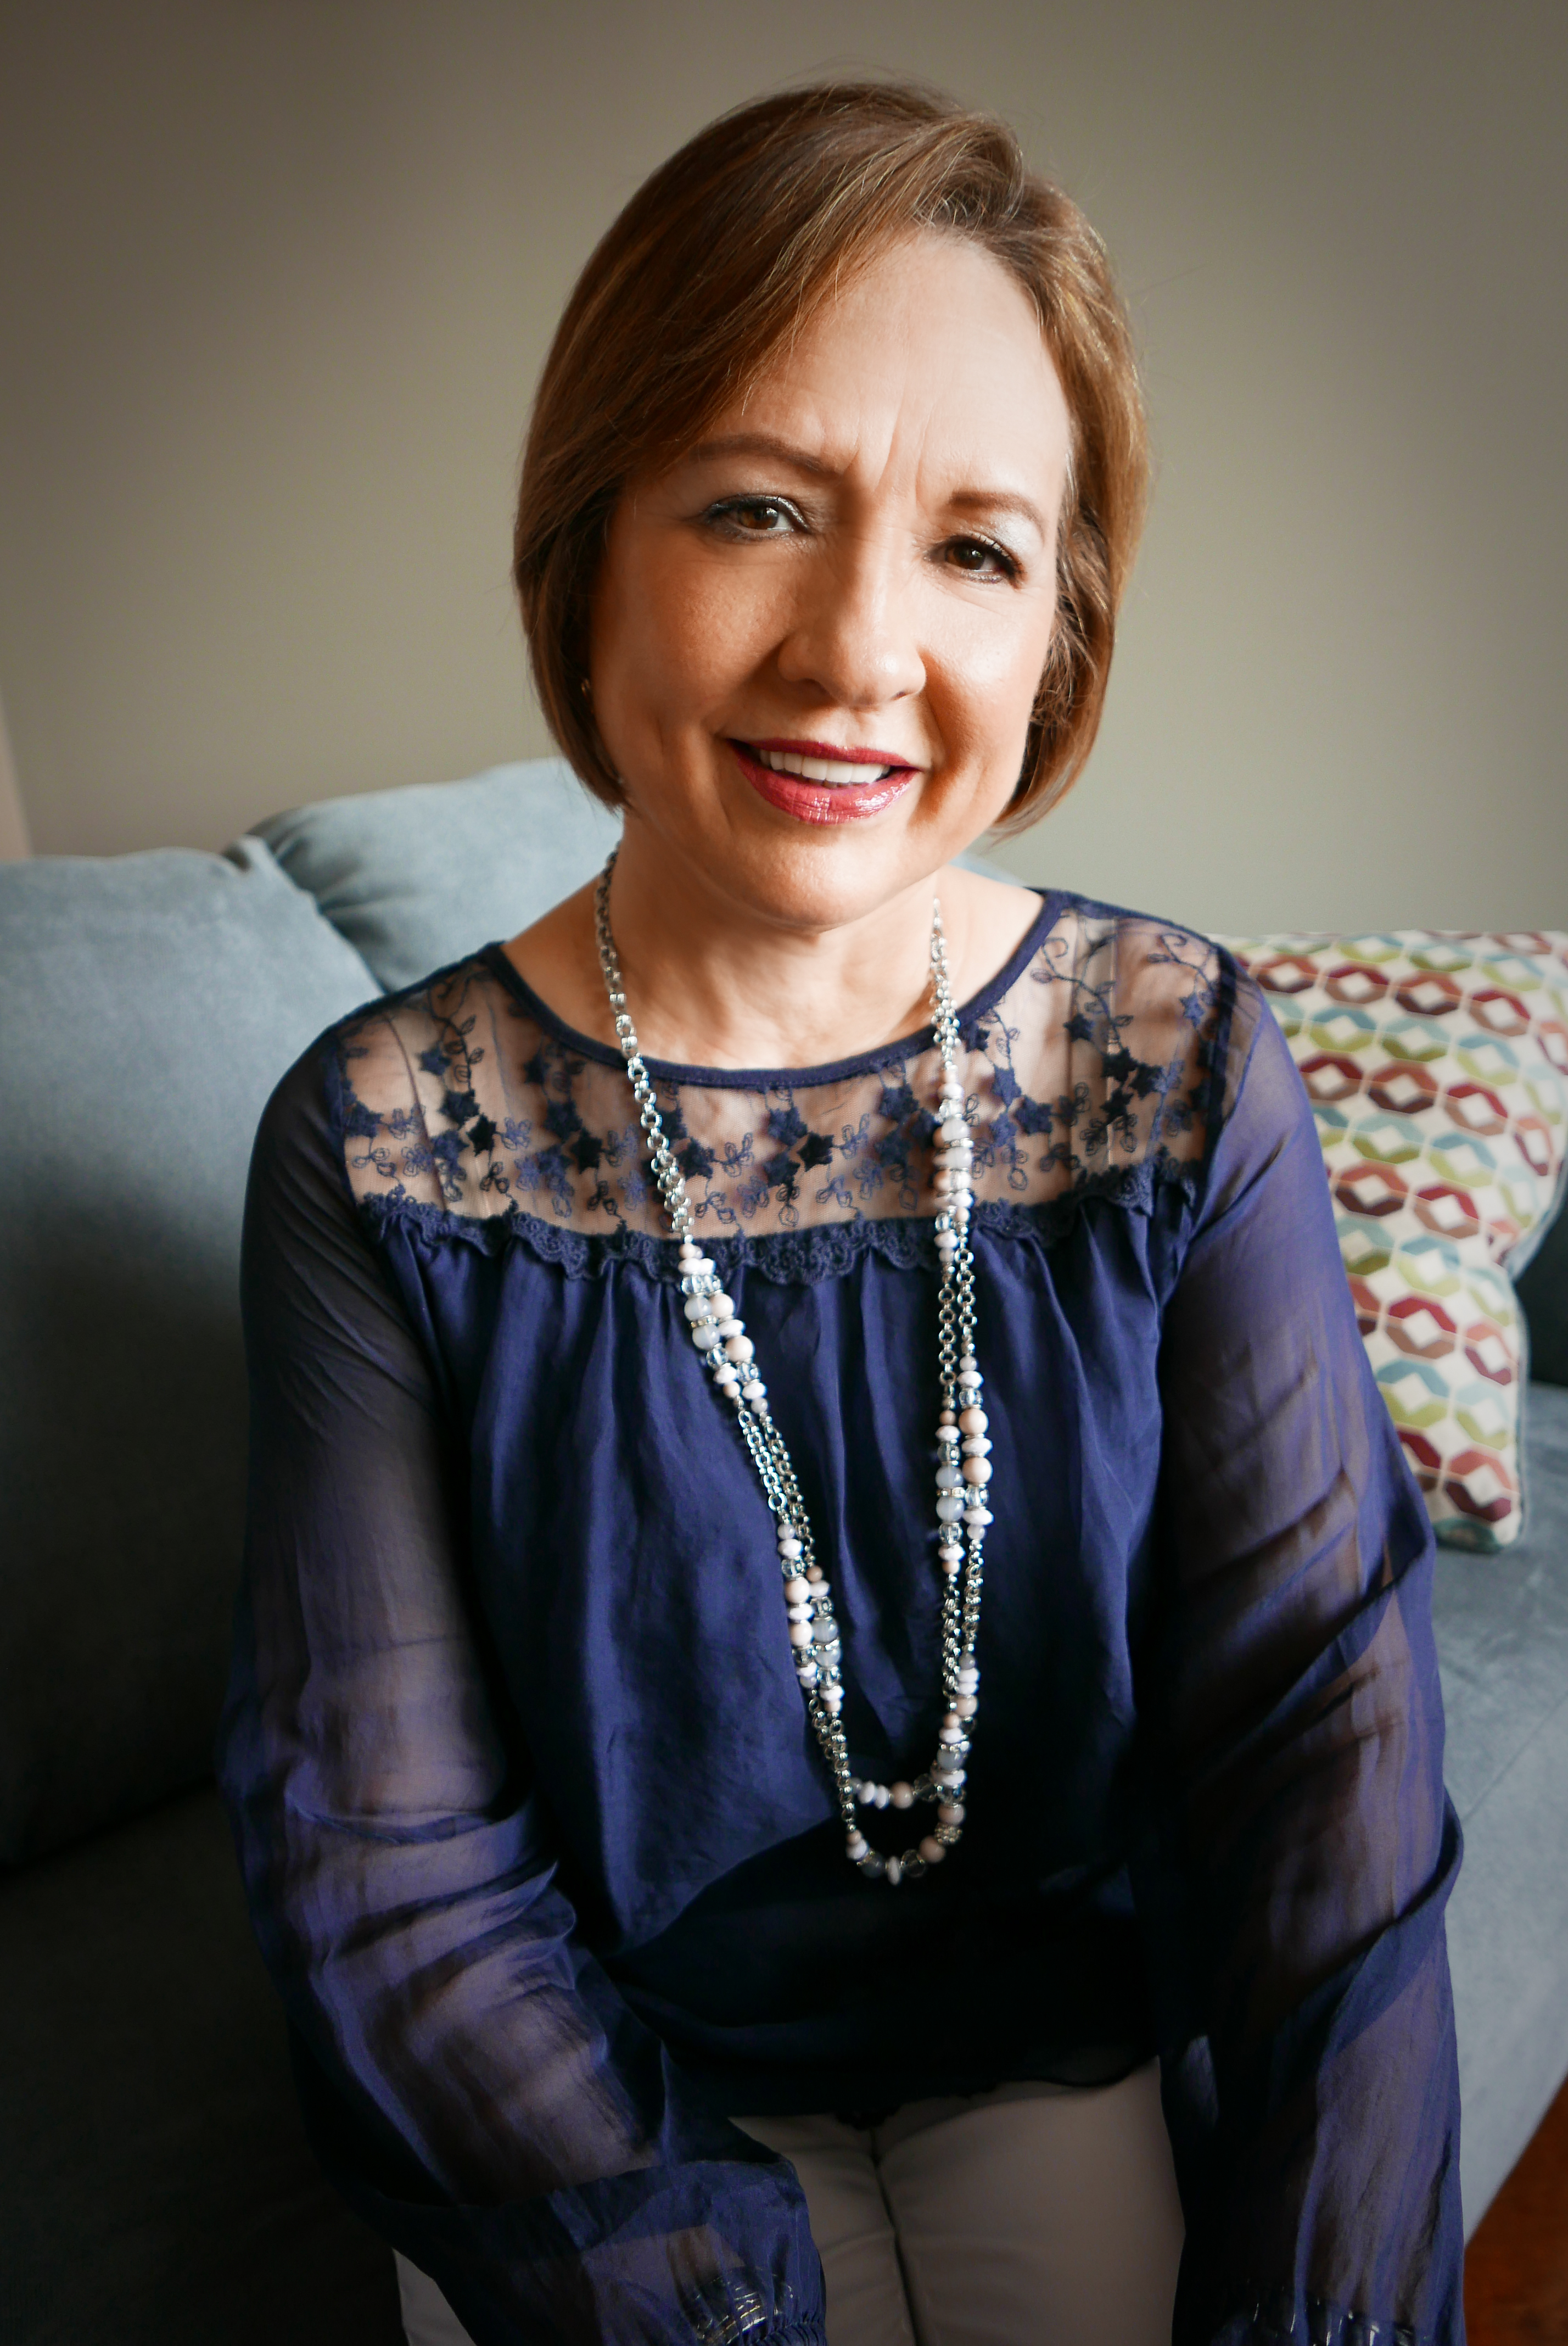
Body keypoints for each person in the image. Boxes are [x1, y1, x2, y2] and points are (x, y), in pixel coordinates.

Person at [219, 82, 1464, 2346]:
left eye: (977, 549)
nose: (859, 650)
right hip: (586, 2092)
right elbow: (393, 1880)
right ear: (592, 545)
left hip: (1058, 2045)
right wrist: (710, 2298)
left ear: (1060, 623)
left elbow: (1322, 1740)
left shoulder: (1176, 1059)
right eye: (761, 509)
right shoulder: (383, 1142)